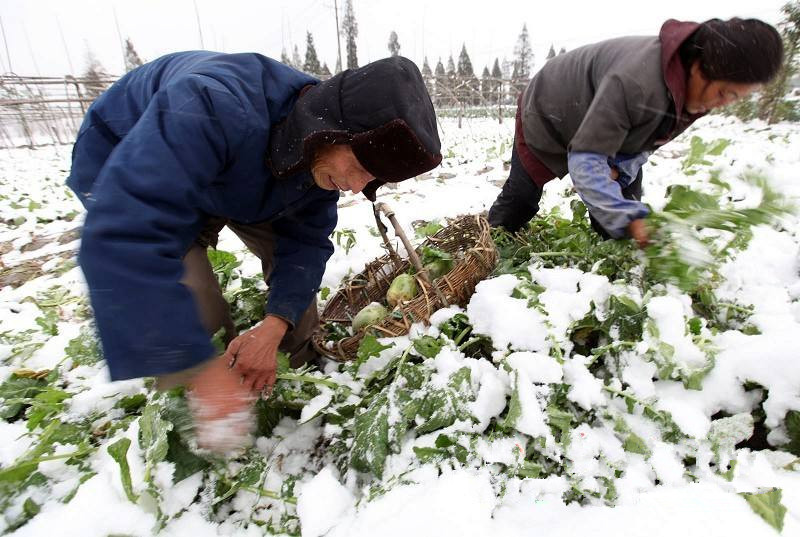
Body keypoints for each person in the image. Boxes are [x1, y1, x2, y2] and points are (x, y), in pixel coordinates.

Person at [67, 52, 441, 449]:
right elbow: (126, 233)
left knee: (295, 314)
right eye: (361, 167)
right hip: (135, 161)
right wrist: (196, 365)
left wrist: (274, 325)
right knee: (198, 307)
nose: (354, 187)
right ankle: (199, 405)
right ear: (334, 129)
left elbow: (306, 243)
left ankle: (280, 377)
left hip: (250, 174)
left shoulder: (318, 152)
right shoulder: (212, 104)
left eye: (371, 180)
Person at [488, 18, 784, 246]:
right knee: (523, 195)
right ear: (698, 68)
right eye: (723, 93)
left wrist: (621, 173)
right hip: (552, 108)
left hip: (606, 117)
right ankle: (491, 241)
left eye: (734, 98)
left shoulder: (695, 94)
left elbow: (647, 141)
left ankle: (614, 265)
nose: (721, 104)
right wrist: (621, 208)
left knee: (623, 206)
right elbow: (585, 161)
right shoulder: (636, 82)